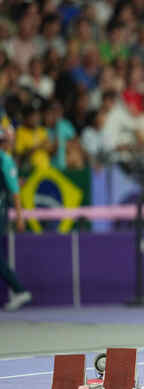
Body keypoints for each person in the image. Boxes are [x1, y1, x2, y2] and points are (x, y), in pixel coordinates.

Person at [0, 115, 29, 311]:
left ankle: (19, 290)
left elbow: (15, 193)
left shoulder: (6, 160)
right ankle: (19, 290)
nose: (10, 143)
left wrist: (19, 216)